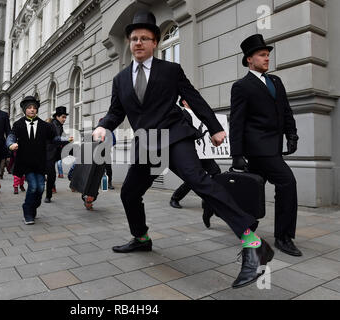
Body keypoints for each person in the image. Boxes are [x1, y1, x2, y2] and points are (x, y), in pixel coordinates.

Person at [92, 11, 274, 289]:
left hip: (175, 136)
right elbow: (116, 111)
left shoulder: (170, 71)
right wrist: (105, 126)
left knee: (199, 181)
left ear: (154, 43)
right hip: (148, 144)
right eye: (134, 39)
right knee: (129, 193)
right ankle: (141, 238)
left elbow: (194, 98)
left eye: (145, 38)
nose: (138, 43)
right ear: (130, 43)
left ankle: (253, 243)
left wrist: (214, 127)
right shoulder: (121, 79)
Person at [230, 34, 302, 257]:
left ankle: (237, 222)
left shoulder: (276, 82)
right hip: (258, 148)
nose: (267, 58)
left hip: (274, 146)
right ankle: (283, 237)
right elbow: (237, 122)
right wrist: (237, 154)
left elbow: (286, 110)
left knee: (251, 189)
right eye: (262, 55)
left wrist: (292, 135)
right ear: (249, 59)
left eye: (268, 55)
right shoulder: (241, 86)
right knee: (287, 183)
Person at [6, 97, 72, 225]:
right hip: (26, 161)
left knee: (41, 188)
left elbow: (54, 138)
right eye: (29, 108)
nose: (32, 110)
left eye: (34, 108)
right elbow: (11, 136)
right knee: (33, 186)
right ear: (25, 109)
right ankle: (28, 211)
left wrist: (65, 140)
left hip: (40, 161)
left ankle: (33, 206)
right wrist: (10, 144)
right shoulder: (18, 124)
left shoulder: (44, 125)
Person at [169, 100, 220, 228]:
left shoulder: (199, 113)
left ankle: (207, 200)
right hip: (192, 151)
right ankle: (175, 198)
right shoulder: (182, 114)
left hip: (205, 151)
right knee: (193, 177)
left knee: (215, 172)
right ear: (184, 102)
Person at [45, 106, 71, 203]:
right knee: (51, 174)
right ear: (57, 116)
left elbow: (61, 138)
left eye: (65, 117)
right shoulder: (53, 125)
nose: (64, 119)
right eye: (63, 117)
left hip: (55, 152)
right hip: (49, 153)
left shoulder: (59, 125)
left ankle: (50, 191)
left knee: (51, 174)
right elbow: (55, 139)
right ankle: (48, 196)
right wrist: (67, 140)